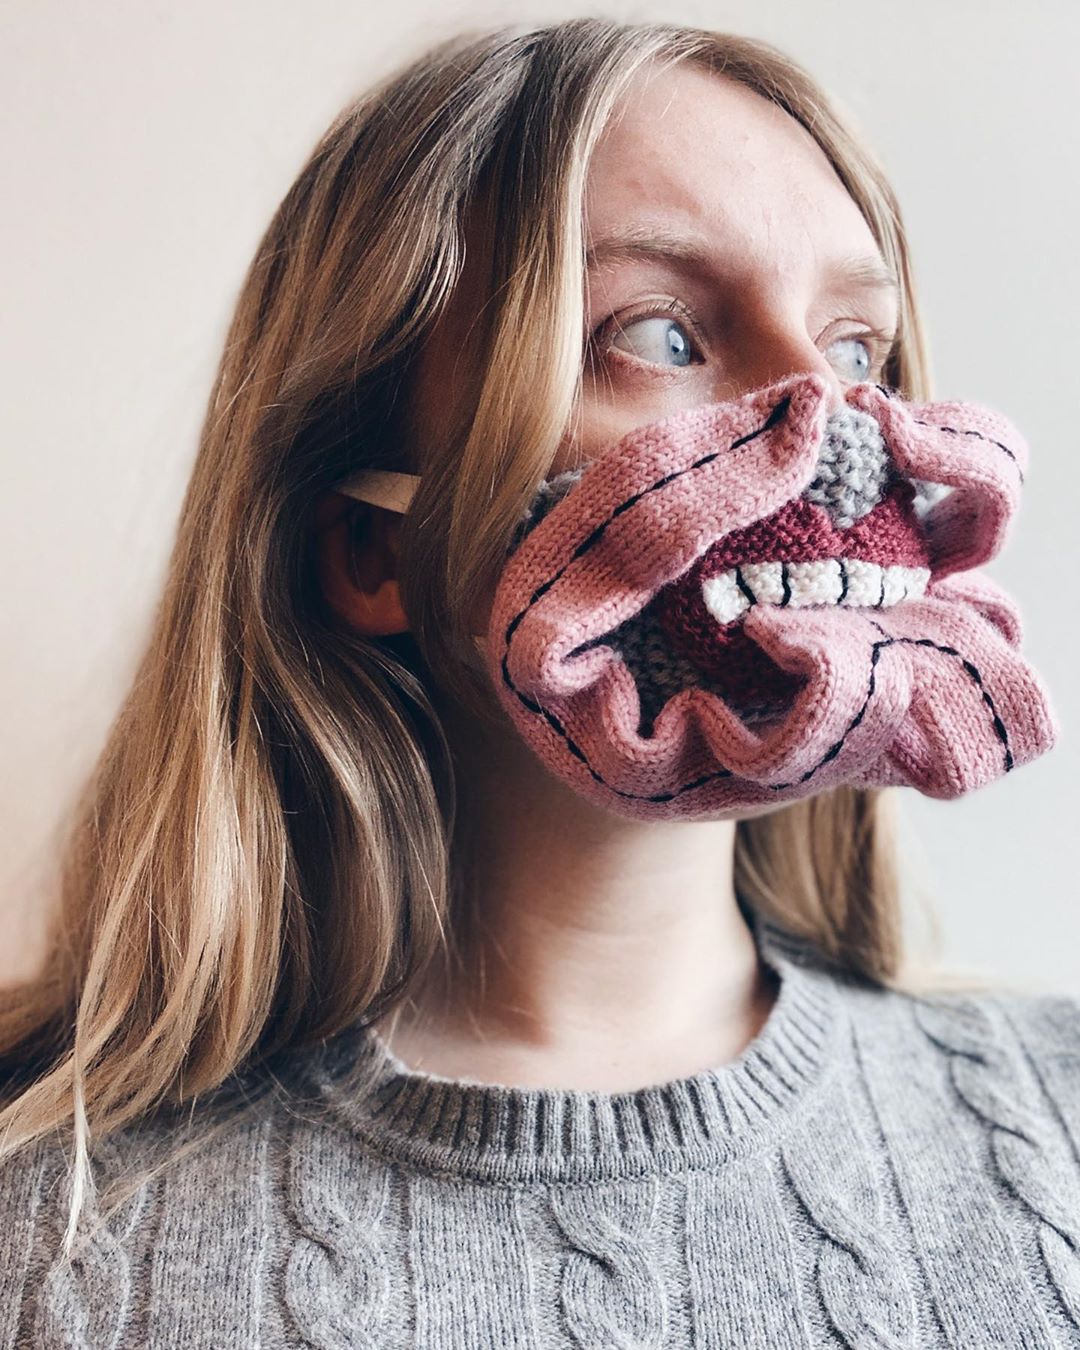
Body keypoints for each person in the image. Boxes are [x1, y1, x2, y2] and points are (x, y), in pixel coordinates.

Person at [0, 18, 1073, 1348]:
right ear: (370, 549)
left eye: (858, 349)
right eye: (662, 333)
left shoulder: (1060, 1122)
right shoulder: (46, 1226)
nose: (838, 429)